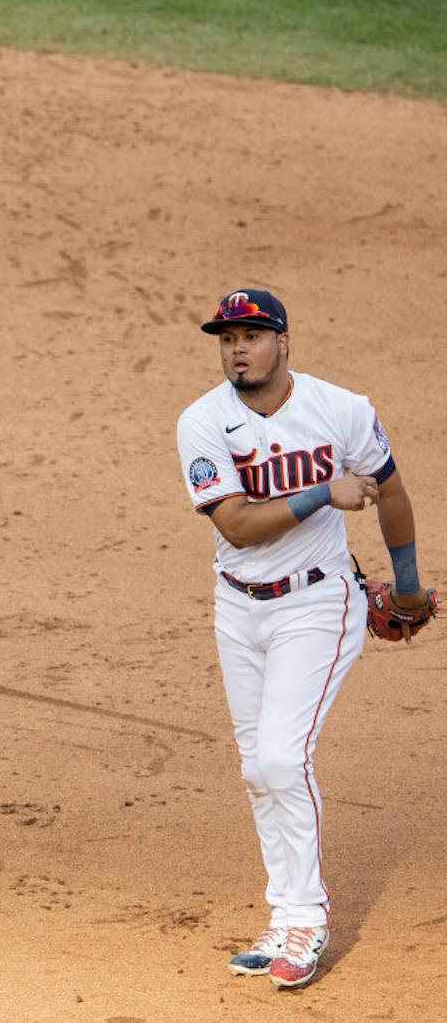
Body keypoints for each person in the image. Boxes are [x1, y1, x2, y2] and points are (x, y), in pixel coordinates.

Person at [176, 289, 431, 989]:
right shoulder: (203, 421)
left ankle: (309, 920)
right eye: (227, 338)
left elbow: (393, 492)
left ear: (283, 342)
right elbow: (236, 525)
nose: (237, 348)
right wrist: (325, 493)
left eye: (252, 335)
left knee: (283, 759)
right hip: (237, 609)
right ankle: (283, 913)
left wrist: (407, 586)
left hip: (318, 603)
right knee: (258, 769)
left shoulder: (341, 408)